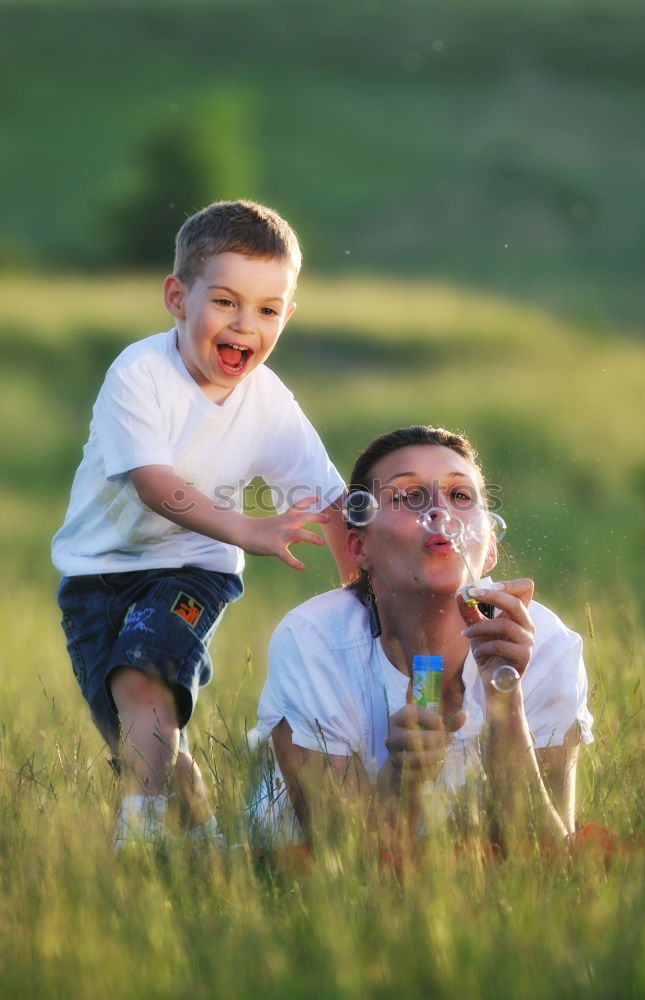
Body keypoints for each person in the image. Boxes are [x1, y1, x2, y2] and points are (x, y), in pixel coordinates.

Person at [52, 199, 353, 849]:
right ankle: (207, 844)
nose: (246, 325)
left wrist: (365, 590)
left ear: (287, 316)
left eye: (268, 310)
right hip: (94, 578)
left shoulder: (268, 403)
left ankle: (139, 845)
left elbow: (329, 501)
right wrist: (248, 528)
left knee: (142, 680)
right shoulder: (140, 375)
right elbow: (152, 482)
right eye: (225, 302)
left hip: (196, 568)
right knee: (143, 732)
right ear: (177, 297)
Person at [255, 425, 593, 854]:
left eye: (461, 496)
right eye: (408, 496)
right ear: (359, 548)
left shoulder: (545, 644)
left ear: (489, 546)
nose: (439, 513)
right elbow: (341, 859)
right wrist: (402, 775)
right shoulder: (315, 642)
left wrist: (505, 698)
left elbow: (545, 855)